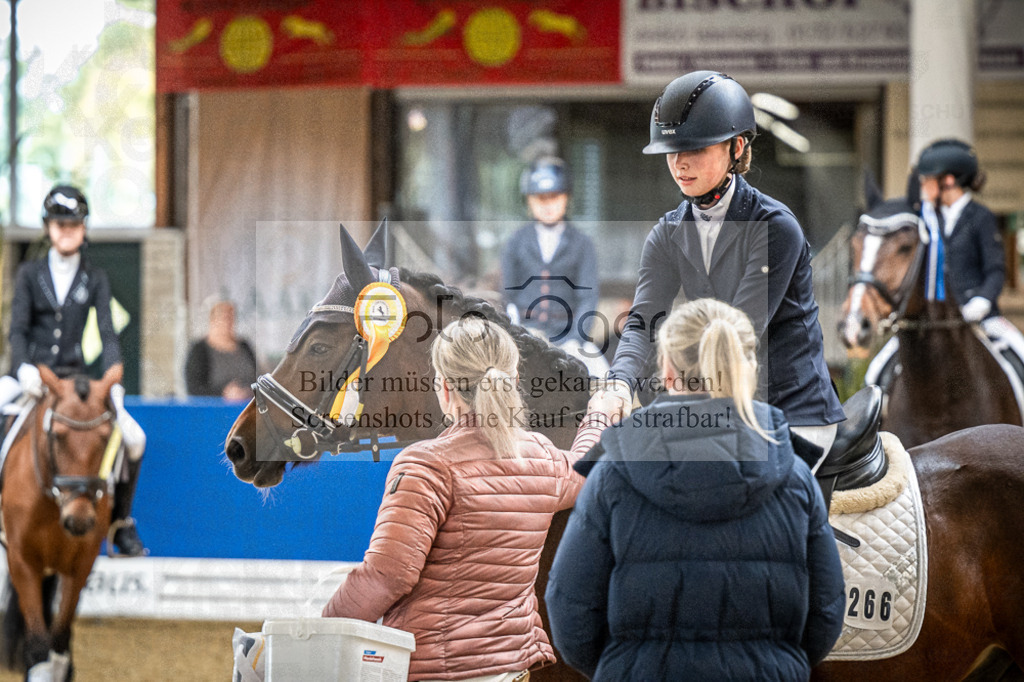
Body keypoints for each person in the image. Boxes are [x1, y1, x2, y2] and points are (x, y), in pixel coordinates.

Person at [545, 298, 846, 681]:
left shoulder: (612, 475)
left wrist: (623, 668)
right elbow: (826, 612)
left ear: (668, 370)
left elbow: (570, 612)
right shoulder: (796, 477)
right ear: (747, 368)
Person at [322, 317, 613, 682]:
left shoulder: (425, 465)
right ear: (514, 380)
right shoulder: (541, 457)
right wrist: (600, 415)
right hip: (511, 669)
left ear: (443, 388)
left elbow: (386, 577)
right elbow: (581, 469)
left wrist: (321, 632)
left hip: (432, 671)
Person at [592, 71, 844, 462]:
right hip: (717, 401)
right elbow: (643, 321)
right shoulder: (668, 232)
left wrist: (668, 404)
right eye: (672, 153)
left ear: (736, 147)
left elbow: (736, 331)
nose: (680, 164)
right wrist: (618, 384)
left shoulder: (776, 228)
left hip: (791, 410)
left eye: (696, 150)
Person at [1, 184, 148, 557]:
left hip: (74, 380)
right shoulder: (29, 274)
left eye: (73, 223)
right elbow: (17, 329)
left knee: (134, 438)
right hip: (31, 377)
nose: (66, 229)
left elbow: (107, 332)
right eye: (59, 223)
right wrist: (22, 370)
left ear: (83, 228)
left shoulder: (94, 278)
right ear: (48, 227)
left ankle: (120, 522)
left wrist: (113, 378)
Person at [865, 138, 1024, 387]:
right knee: (874, 374)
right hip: (930, 319)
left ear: (948, 181)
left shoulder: (980, 217)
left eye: (926, 180)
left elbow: (995, 270)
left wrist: (981, 302)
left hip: (978, 316)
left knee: (1021, 358)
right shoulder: (924, 219)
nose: (922, 187)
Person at [501, 157, 606, 375]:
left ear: (566, 198)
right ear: (529, 201)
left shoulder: (582, 244)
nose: (548, 204)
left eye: (555, 197)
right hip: (524, 335)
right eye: (541, 198)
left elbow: (588, 298)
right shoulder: (515, 242)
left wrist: (575, 339)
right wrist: (515, 332)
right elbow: (508, 295)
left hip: (568, 337)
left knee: (604, 377)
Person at [184, 299, 260, 400]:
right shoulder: (200, 350)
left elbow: (257, 377)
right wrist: (223, 393)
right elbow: (194, 388)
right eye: (224, 318)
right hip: (214, 409)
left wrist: (246, 392)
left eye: (231, 318)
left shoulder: (244, 346)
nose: (228, 323)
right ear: (213, 320)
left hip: (246, 405)